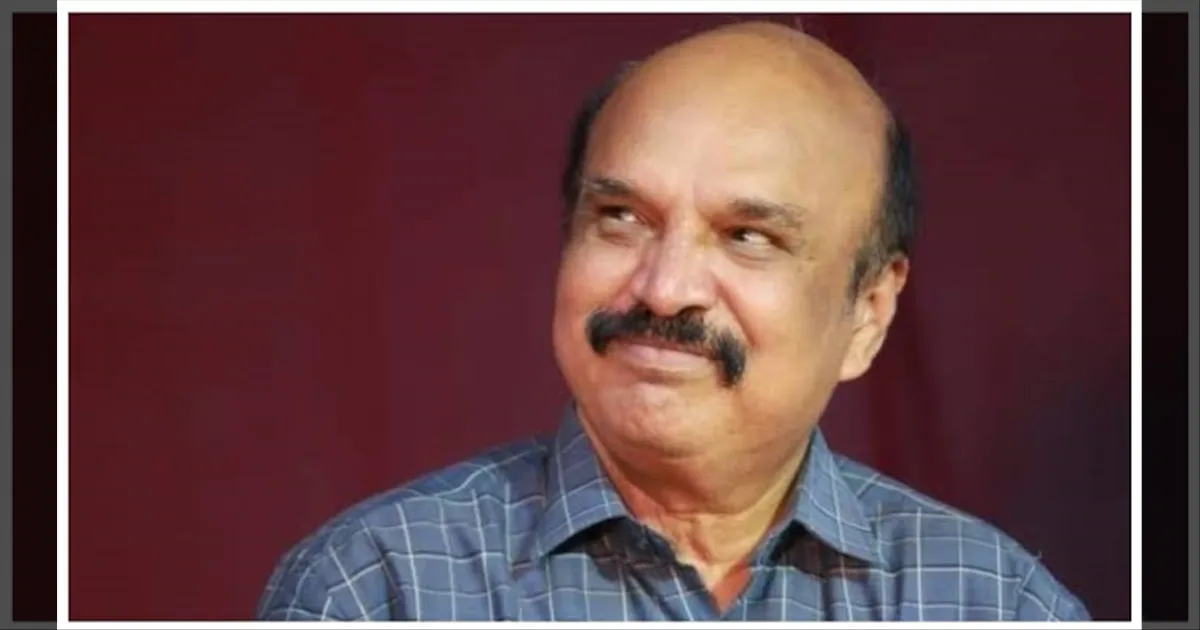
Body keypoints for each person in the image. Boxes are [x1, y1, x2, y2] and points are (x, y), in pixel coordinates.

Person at [256, 22, 1090, 622]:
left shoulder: (991, 603)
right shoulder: (379, 591)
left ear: (868, 313)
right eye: (621, 219)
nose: (664, 289)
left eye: (748, 236)